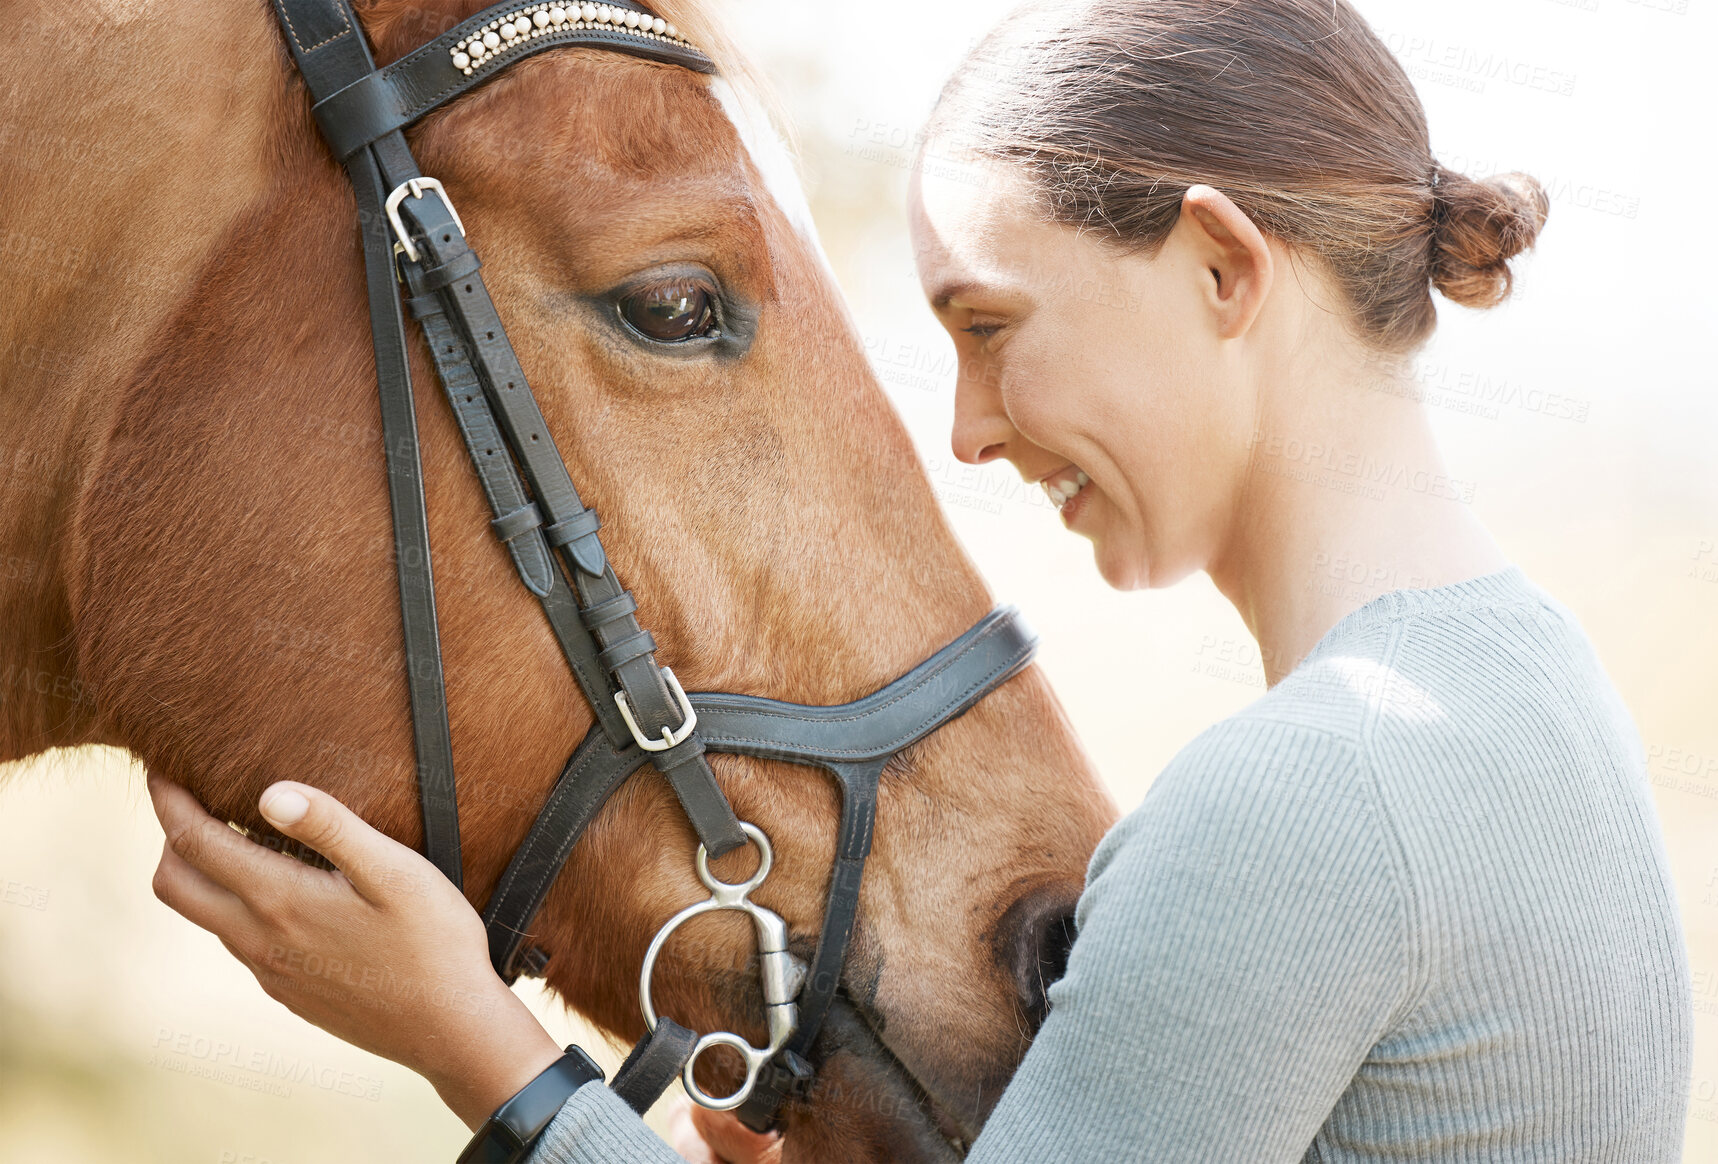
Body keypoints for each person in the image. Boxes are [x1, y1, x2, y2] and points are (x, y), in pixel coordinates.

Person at [147, 0, 1694, 1160]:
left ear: (1221, 269)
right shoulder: (1538, 698)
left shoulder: (1303, 801)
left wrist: (485, 1056)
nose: (963, 432)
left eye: (992, 327)